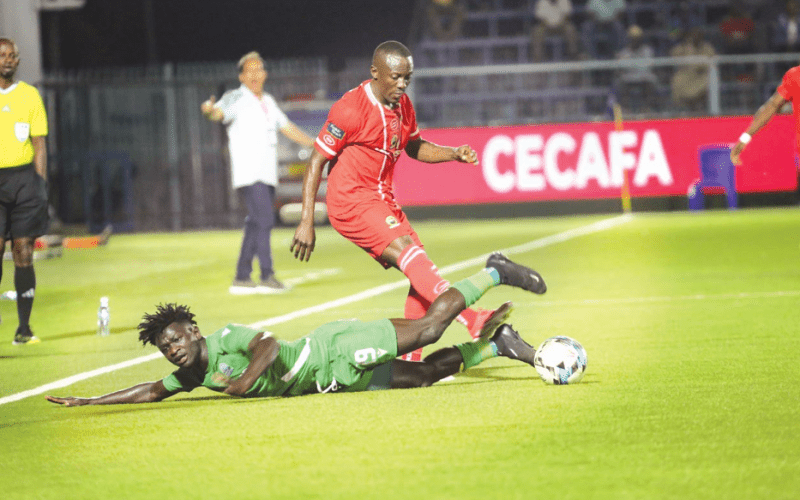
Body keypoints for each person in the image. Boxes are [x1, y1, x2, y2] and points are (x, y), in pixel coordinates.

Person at [290, 41, 546, 362]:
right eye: (395, 77)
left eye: (407, 78)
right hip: (351, 201)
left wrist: (452, 153)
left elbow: (414, 147)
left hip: (382, 200)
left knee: (420, 272)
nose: (401, 84)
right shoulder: (350, 108)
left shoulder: (403, 106)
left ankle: (411, 361)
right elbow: (316, 160)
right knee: (415, 260)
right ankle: (472, 318)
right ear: (375, 72)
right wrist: (306, 221)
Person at [46, 253, 544, 405]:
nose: (172, 349)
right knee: (423, 377)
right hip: (330, 380)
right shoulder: (194, 376)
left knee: (431, 329)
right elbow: (151, 391)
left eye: (175, 337)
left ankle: (496, 270)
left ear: (194, 331)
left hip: (335, 348)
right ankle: (495, 346)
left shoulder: (226, 340)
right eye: (165, 346)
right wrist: (91, 401)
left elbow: (267, 345)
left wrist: (243, 382)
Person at [201, 51, 314, 296]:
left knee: (255, 222)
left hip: (267, 172)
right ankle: (266, 275)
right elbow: (217, 113)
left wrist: (314, 144)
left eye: (258, 70)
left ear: (264, 74)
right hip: (249, 173)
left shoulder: (269, 101)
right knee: (264, 220)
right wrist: (208, 110)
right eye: (248, 71)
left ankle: (241, 276)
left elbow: (287, 127)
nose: (254, 75)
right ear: (241, 76)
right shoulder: (234, 97)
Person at [0, 38, 48, 345]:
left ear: (18, 61)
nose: (6, 59)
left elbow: (39, 143)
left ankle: (24, 328)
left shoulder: (30, 95)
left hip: (24, 182)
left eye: (11, 56)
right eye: (1, 55)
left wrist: (39, 184)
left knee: (23, 252)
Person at [730, 64, 800, 167]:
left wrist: (745, 138)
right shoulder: (795, 76)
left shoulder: (795, 75)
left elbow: (773, 105)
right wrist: (745, 137)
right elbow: (773, 106)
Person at [669, 28, 716, 113]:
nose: (695, 37)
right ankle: (682, 111)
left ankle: (702, 109)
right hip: (686, 76)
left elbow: (712, 61)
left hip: (702, 76)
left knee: (708, 83)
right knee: (677, 80)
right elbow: (674, 55)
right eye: (693, 36)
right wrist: (684, 46)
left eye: (697, 36)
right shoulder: (685, 47)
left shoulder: (707, 47)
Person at [615, 25, 659, 113]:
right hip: (629, 78)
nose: (635, 40)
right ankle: (626, 109)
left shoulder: (647, 50)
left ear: (641, 39)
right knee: (620, 84)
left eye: (637, 38)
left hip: (644, 77)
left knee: (650, 83)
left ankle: (647, 108)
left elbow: (649, 67)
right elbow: (622, 69)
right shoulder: (624, 52)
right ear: (629, 39)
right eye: (633, 38)